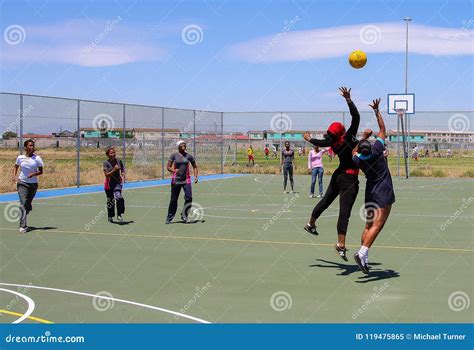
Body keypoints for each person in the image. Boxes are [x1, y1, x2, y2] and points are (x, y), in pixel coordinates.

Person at [303, 87, 360, 261]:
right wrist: (349, 100)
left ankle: (310, 223)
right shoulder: (349, 136)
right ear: (342, 130)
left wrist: (309, 139)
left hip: (338, 175)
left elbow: (322, 141)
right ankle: (340, 245)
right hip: (349, 178)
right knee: (344, 212)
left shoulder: (332, 143)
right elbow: (356, 117)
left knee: (326, 200)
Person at [352, 98, 395, 274]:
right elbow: (383, 130)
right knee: (379, 225)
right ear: (370, 148)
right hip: (383, 190)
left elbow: (353, 151)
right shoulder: (377, 150)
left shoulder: (358, 160)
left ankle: (365, 259)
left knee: (369, 225)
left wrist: (363, 137)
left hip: (370, 191)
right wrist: (377, 111)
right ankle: (362, 252)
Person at [13, 139, 44, 233]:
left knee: (27, 205)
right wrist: (14, 176)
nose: (32, 147)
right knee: (23, 204)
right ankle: (23, 226)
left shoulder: (37, 158)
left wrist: (33, 174)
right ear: (25, 147)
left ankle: (28, 208)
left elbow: (41, 171)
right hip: (22, 183)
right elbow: (16, 166)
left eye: (33, 145)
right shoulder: (20, 157)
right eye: (30, 145)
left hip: (33, 185)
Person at [166, 140, 198, 224]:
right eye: (181, 144)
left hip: (186, 180)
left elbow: (195, 166)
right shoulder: (174, 155)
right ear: (178, 146)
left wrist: (195, 177)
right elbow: (168, 167)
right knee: (173, 200)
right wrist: (174, 170)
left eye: (185, 144)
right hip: (176, 180)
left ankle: (184, 215)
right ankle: (169, 217)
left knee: (189, 197)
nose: (184, 145)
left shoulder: (189, 156)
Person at [103, 147, 126, 223]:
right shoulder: (106, 163)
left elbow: (122, 168)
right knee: (110, 201)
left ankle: (119, 214)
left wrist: (123, 173)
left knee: (119, 198)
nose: (113, 154)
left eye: (114, 152)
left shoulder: (119, 161)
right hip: (109, 184)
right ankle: (110, 216)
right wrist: (114, 170)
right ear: (107, 155)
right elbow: (106, 175)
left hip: (117, 183)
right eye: (111, 153)